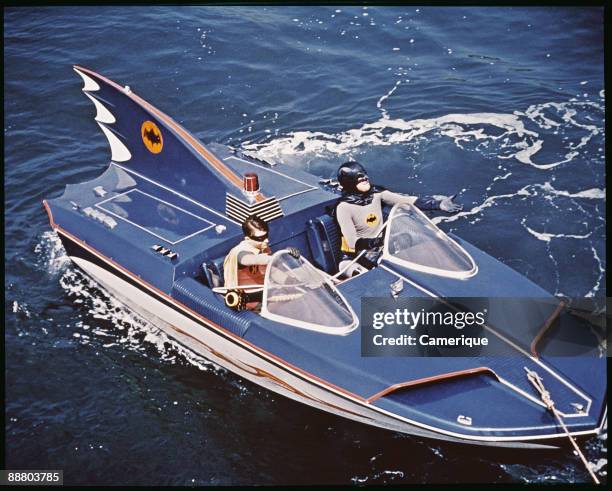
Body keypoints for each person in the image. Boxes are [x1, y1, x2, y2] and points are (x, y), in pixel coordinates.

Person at [335, 161, 462, 273]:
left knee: (418, 245)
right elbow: (352, 242)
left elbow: (406, 201)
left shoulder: (376, 193)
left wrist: (437, 204)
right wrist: (376, 242)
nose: (365, 178)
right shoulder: (343, 208)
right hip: (355, 256)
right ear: (349, 183)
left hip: (381, 248)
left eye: (365, 176)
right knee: (362, 275)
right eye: (360, 178)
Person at [223, 215, 300, 310]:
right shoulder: (240, 253)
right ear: (247, 239)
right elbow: (250, 259)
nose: (266, 240)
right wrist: (275, 257)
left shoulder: (262, 248)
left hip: (264, 295)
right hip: (246, 303)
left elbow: (272, 272)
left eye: (266, 235)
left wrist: (295, 284)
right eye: (261, 238)